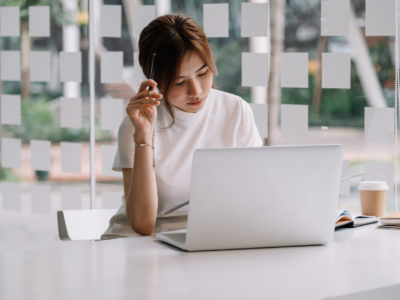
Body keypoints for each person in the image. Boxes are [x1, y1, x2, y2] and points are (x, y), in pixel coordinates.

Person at [101, 14, 262, 240]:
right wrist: (144, 135)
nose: (195, 91)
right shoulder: (138, 124)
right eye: (179, 82)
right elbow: (142, 224)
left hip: (208, 239)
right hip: (141, 244)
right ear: (155, 81)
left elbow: (258, 194)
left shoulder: (235, 110)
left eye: (203, 73)